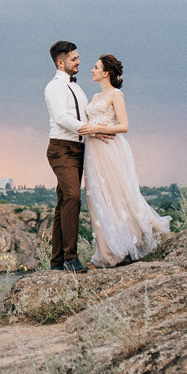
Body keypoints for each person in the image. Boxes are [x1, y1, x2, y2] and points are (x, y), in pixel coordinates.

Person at [79, 54, 172, 268]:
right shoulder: (93, 98)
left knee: (118, 195)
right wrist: (91, 131)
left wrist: (96, 128)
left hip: (110, 150)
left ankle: (129, 243)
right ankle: (106, 252)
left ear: (106, 73)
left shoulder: (115, 95)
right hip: (93, 151)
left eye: (95, 67)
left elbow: (124, 126)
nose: (91, 70)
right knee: (97, 200)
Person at [43, 41, 110, 272]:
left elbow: (86, 117)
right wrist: (89, 129)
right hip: (62, 149)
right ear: (60, 62)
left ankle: (56, 262)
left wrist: (97, 130)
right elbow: (62, 117)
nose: (79, 61)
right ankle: (71, 259)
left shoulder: (78, 89)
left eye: (78, 57)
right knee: (73, 196)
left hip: (80, 150)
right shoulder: (54, 87)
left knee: (64, 202)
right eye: (74, 58)